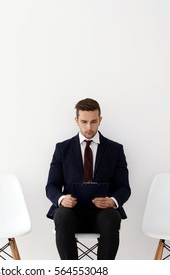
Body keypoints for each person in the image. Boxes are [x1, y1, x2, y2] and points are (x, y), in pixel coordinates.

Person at [45, 98, 131, 260]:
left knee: (112, 217)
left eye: (94, 122)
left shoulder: (115, 149)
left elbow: (124, 187)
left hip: (102, 214)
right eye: (84, 122)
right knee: (61, 215)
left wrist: (112, 201)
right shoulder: (62, 149)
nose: (89, 127)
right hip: (71, 213)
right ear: (76, 120)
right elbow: (51, 186)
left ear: (100, 120)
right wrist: (62, 199)